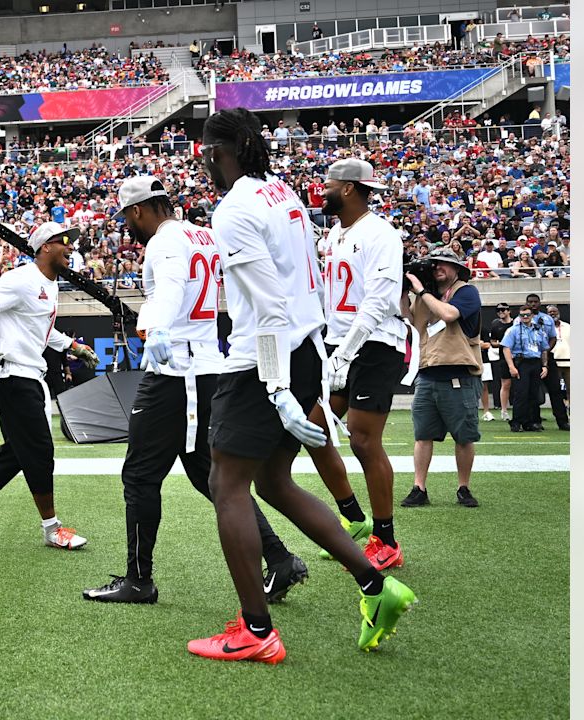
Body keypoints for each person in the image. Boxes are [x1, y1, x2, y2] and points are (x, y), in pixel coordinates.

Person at [187, 108, 415, 663]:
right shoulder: (281, 193)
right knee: (273, 481)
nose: (206, 166)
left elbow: (267, 308)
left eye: (207, 155)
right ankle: (375, 584)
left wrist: (273, 386)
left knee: (227, 484)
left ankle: (257, 631)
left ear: (224, 151)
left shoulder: (235, 207)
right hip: (304, 349)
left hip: (263, 359)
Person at [83, 176, 305, 606]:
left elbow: (170, 285)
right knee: (213, 476)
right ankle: (277, 557)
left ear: (138, 211)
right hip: (208, 365)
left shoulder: (163, 242)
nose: (129, 226)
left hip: (175, 372)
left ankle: (139, 580)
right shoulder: (203, 234)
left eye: (129, 217)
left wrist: (157, 326)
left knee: (140, 476)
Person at [0, 221, 99, 551]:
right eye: (63, 241)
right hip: (15, 377)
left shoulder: (49, 286)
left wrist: (73, 346)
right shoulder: (22, 279)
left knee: (16, 453)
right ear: (45, 247)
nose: (71, 247)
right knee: (40, 451)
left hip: (28, 377)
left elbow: (42, 331)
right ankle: (52, 529)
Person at [306, 159, 412, 572]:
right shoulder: (335, 233)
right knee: (313, 430)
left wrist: (346, 351)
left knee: (364, 440)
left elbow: (380, 300)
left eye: (328, 184)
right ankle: (353, 518)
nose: (322, 190)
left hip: (374, 344)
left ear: (348, 188)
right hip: (339, 343)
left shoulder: (380, 233)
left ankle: (386, 538)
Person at [400, 248, 483, 508]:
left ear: (457, 269)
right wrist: (404, 291)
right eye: (434, 264)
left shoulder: (466, 291)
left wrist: (421, 292)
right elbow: (409, 320)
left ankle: (463, 487)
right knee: (422, 434)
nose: (437, 268)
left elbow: (448, 315)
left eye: (444, 265)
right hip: (427, 371)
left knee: (464, 436)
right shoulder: (426, 296)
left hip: (457, 372)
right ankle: (419, 487)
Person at [501, 305, 551, 433]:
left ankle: (532, 422)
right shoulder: (514, 330)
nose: (525, 317)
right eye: (522, 315)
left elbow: (544, 349)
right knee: (521, 394)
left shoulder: (539, 330)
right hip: (521, 362)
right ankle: (517, 422)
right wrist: (511, 366)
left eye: (527, 315)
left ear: (532, 315)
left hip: (536, 363)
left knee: (534, 394)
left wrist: (545, 366)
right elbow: (506, 348)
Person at [526, 293, 569, 430]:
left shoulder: (547, 319)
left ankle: (562, 421)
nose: (533, 304)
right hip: (530, 359)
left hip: (547, 357)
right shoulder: (521, 319)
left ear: (539, 303)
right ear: (527, 303)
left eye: (535, 302)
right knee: (533, 391)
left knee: (555, 389)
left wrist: (545, 350)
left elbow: (553, 338)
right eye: (530, 302)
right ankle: (535, 421)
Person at [487, 302, 515, 421]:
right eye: (498, 310)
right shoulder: (495, 324)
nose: (501, 312)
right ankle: (504, 410)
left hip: (518, 356)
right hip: (503, 357)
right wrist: (501, 345)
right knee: (506, 384)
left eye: (503, 310)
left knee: (521, 385)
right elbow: (492, 342)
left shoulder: (516, 323)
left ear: (509, 311)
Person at [547, 304, 570, 412]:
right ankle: (561, 413)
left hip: (568, 363)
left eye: (554, 312)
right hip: (553, 363)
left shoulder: (568, 327)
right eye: (550, 312)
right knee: (556, 390)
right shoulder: (545, 328)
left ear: (559, 312)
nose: (552, 314)